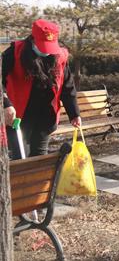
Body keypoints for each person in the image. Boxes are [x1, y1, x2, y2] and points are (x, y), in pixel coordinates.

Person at [2, 19, 81, 159]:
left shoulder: (60, 56)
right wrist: (5, 103)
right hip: (18, 116)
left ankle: (37, 181)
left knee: (39, 157)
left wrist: (74, 114)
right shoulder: (15, 52)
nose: (47, 52)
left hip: (45, 116)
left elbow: (67, 87)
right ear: (33, 39)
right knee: (19, 157)